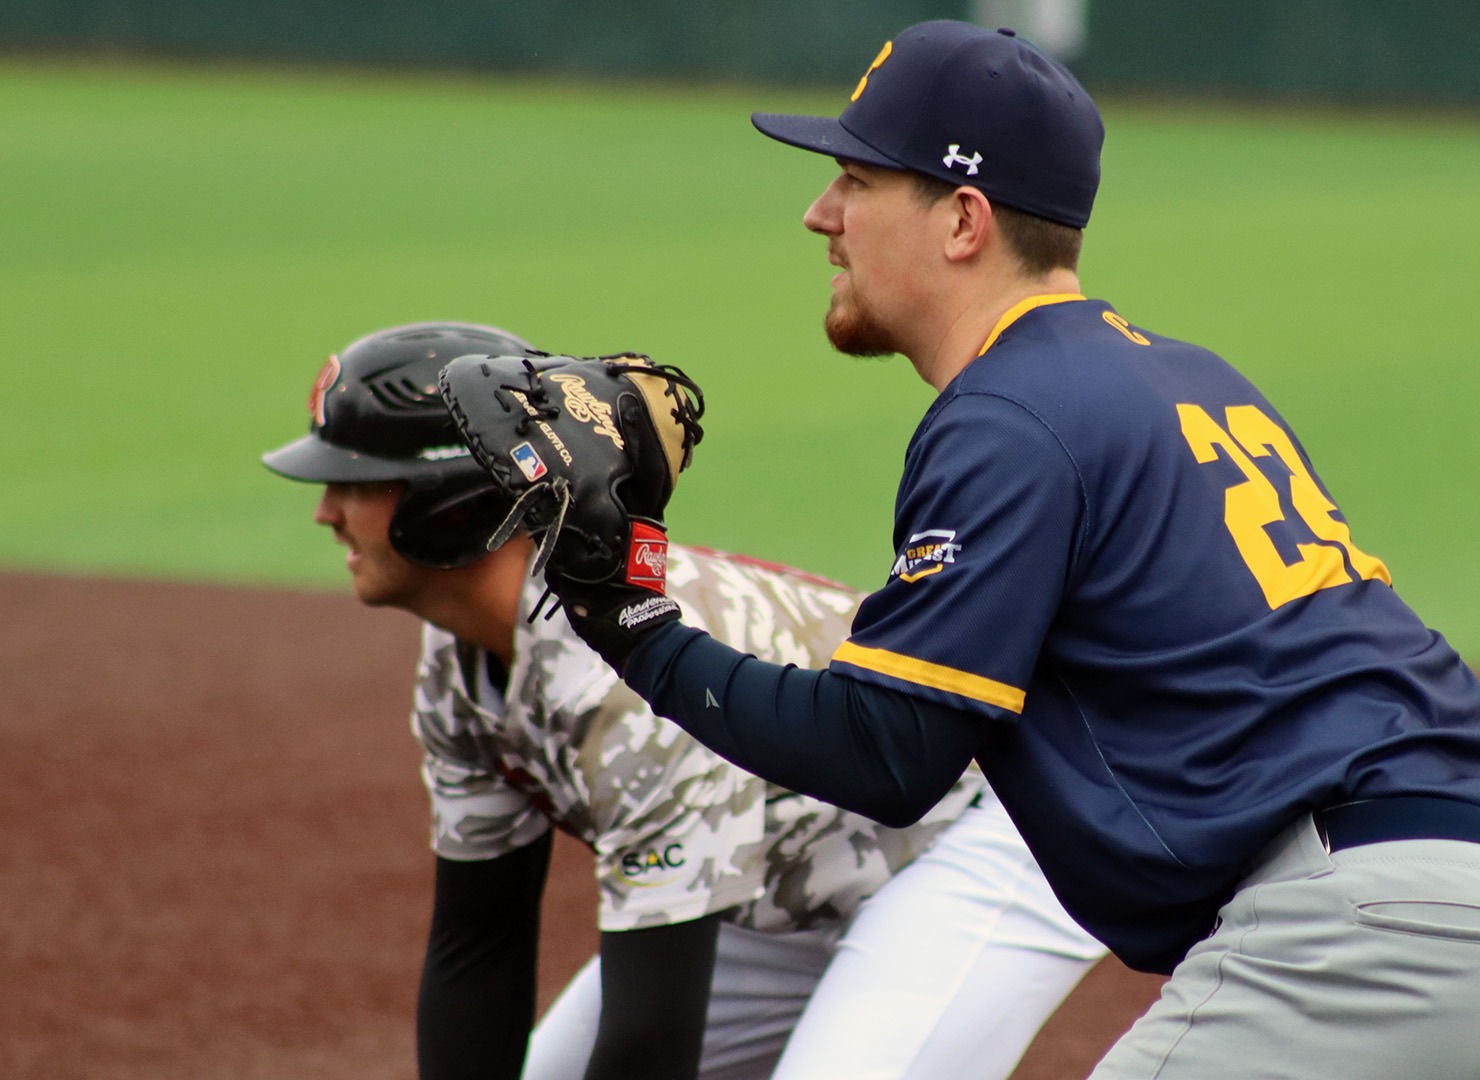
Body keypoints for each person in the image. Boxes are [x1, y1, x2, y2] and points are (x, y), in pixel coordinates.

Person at [531, 21, 1480, 1080]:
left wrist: (630, 619)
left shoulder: (1009, 413)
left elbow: (888, 754)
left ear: (963, 220)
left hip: (1382, 941)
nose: (821, 213)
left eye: (859, 181)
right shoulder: (1188, 376)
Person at [261, 321, 1106, 1080]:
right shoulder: (460, 660)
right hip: (783, 876)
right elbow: (481, 943)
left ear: (449, 505)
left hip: (979, 835)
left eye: (354, 482)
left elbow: (648, 1042)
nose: (326, 513)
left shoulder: (617, 683)